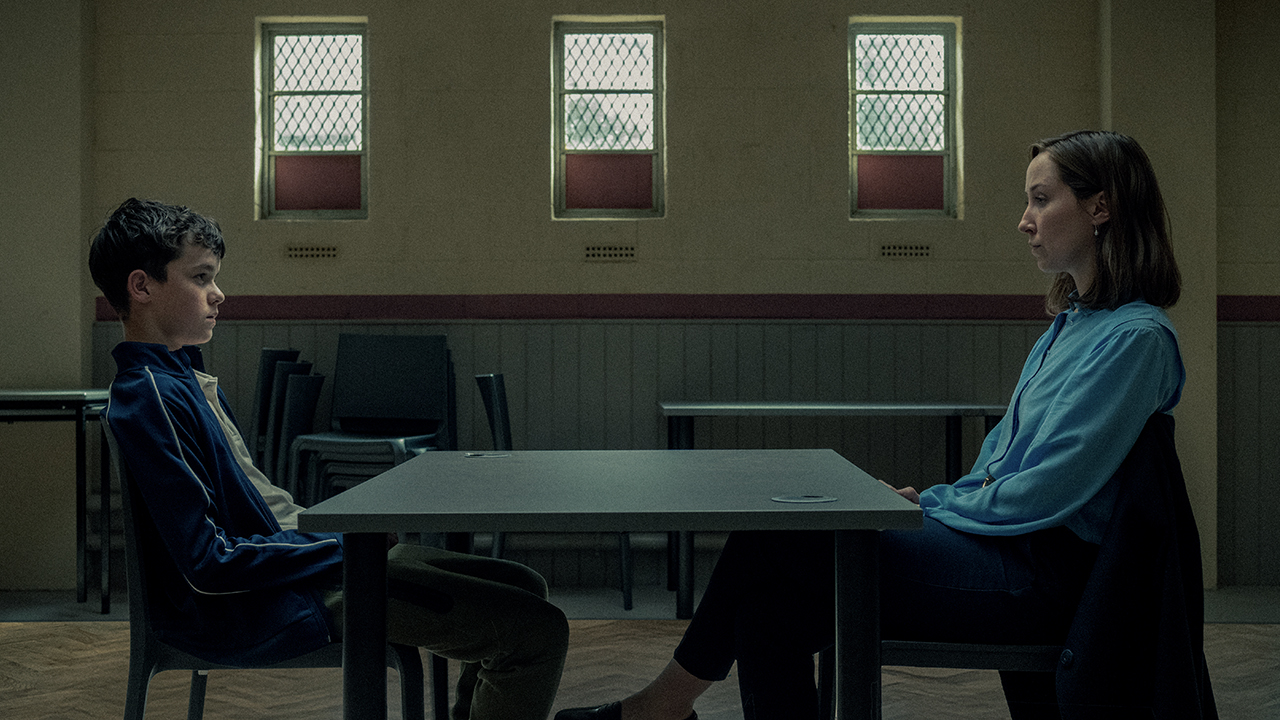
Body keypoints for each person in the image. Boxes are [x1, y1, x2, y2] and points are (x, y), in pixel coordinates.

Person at [555, 130, 1187, 720]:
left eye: (1041, 200)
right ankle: (662, 708)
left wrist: (933, 509)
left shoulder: (1137, 339)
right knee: (770, 598)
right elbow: (1000, 457)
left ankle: (659, 707)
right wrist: (938, 500)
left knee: (775, 542)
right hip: (1003, 550)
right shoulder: (1071, 326)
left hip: (1037, 577)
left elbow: (1051, 484)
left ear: (1100, 208)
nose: (1024, 220)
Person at [91, 198, 568, 720]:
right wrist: (343, 547)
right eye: (201, 277)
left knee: (523, 586)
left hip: (296, 568)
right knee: (537, 631)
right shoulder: (149, 396)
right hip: (264, 604)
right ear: (142, 287)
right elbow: (209, 563)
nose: (218, 293)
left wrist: (332, 542)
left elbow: (259, 512)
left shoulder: (181, 377)